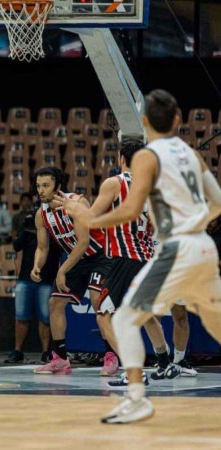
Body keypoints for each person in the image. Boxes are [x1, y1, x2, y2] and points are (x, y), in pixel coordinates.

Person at [62, 89, 221, 424]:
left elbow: (130, 210)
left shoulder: (148, 157)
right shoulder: (192, 155)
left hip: (177, 249)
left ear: (146, 122)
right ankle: (161, 366)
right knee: (215, 321)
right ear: (178, 120)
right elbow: (218, 203)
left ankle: (137, 399)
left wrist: (87, 217)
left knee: (122, 318)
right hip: (205, 247)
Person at [56, 138, 179, 383]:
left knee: (104, 315)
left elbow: (91, 218)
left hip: (124, 259)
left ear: (121, 158)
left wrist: (73, 206)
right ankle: (165, 363)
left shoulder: (115, 183)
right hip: (146, 258)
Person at [31, 167, 113, 375]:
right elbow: (42, 247)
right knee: (55, 303)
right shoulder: (41, 215)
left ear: (58, 186)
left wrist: (62, 270)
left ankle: (111, 356)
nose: (40, 190)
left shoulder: (77, 203)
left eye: (46, 185)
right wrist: (36, 265)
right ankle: (60, 358)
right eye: (38, 185)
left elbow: (84, 242)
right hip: (77, 260)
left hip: (100, 256)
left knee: (97, 301)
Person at [5, 205, 60, 364]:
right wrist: (26, 227)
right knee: (21, 316)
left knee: (45, 318)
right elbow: (16, 245)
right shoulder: (28, 233)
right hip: (25, 279)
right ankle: (17, 350)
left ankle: (45, 351)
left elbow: (58, 248)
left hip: (47, 279)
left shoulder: (53, 232)